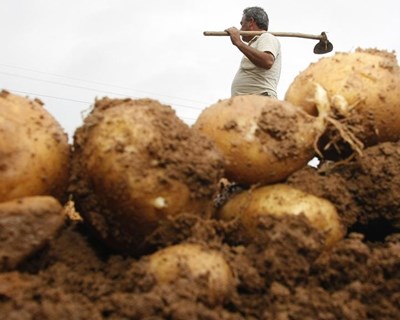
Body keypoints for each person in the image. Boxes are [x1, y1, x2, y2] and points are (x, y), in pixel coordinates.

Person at [226, 7, 281, 98]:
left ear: (251, 22)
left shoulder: (266, 37)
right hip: (250, 102)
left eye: (242, 23)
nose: (240, 28)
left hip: (259, 99)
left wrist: (239, 43)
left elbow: (267, 61)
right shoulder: (255, 43)